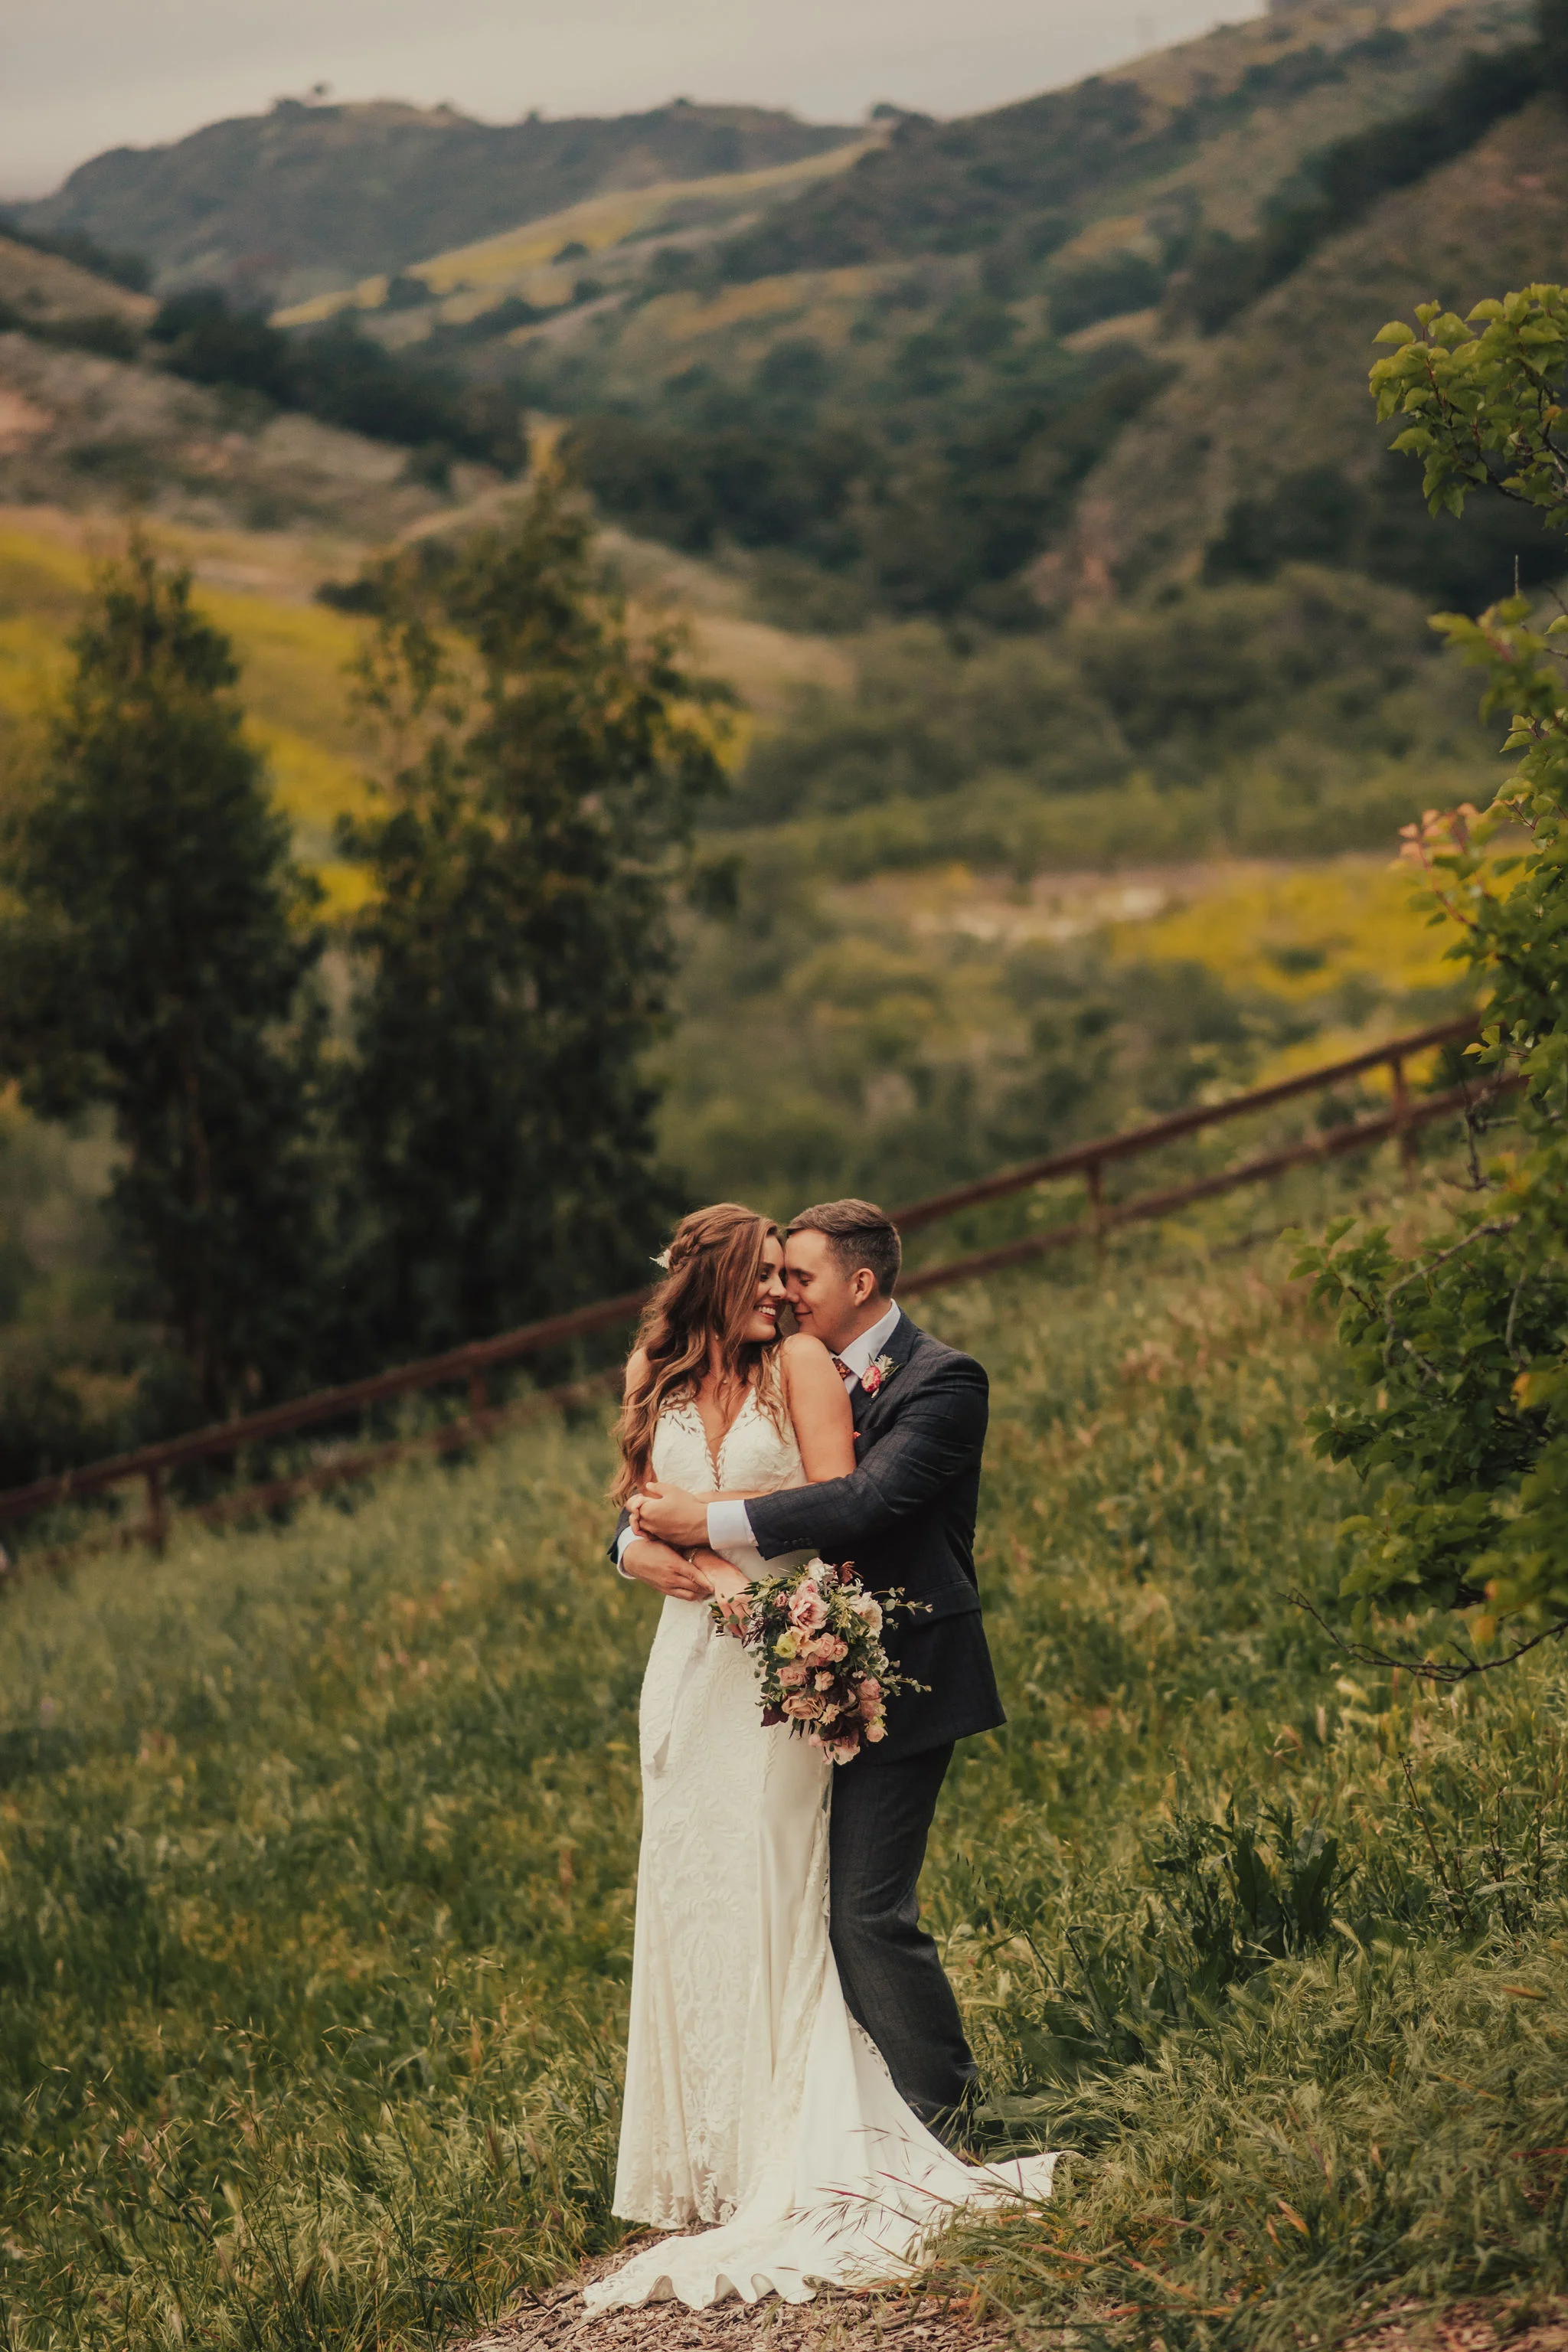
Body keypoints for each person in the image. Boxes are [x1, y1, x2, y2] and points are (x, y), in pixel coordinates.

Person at [596, 1198, 1055, 2312]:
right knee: (701, 1891)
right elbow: (634, 1508)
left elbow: (855, 1501)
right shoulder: (661, 1373)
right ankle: (726, 2146)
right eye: (768, 1274)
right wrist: (640, 1549)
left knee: (840, 1907)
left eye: (794, 1275)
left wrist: (701, 1531)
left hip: (857, 1661)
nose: (782, 1292)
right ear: (717, 1279)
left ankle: (937, 2125)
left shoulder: (927, 1378)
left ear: (855, 1283)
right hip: (702, 1665)